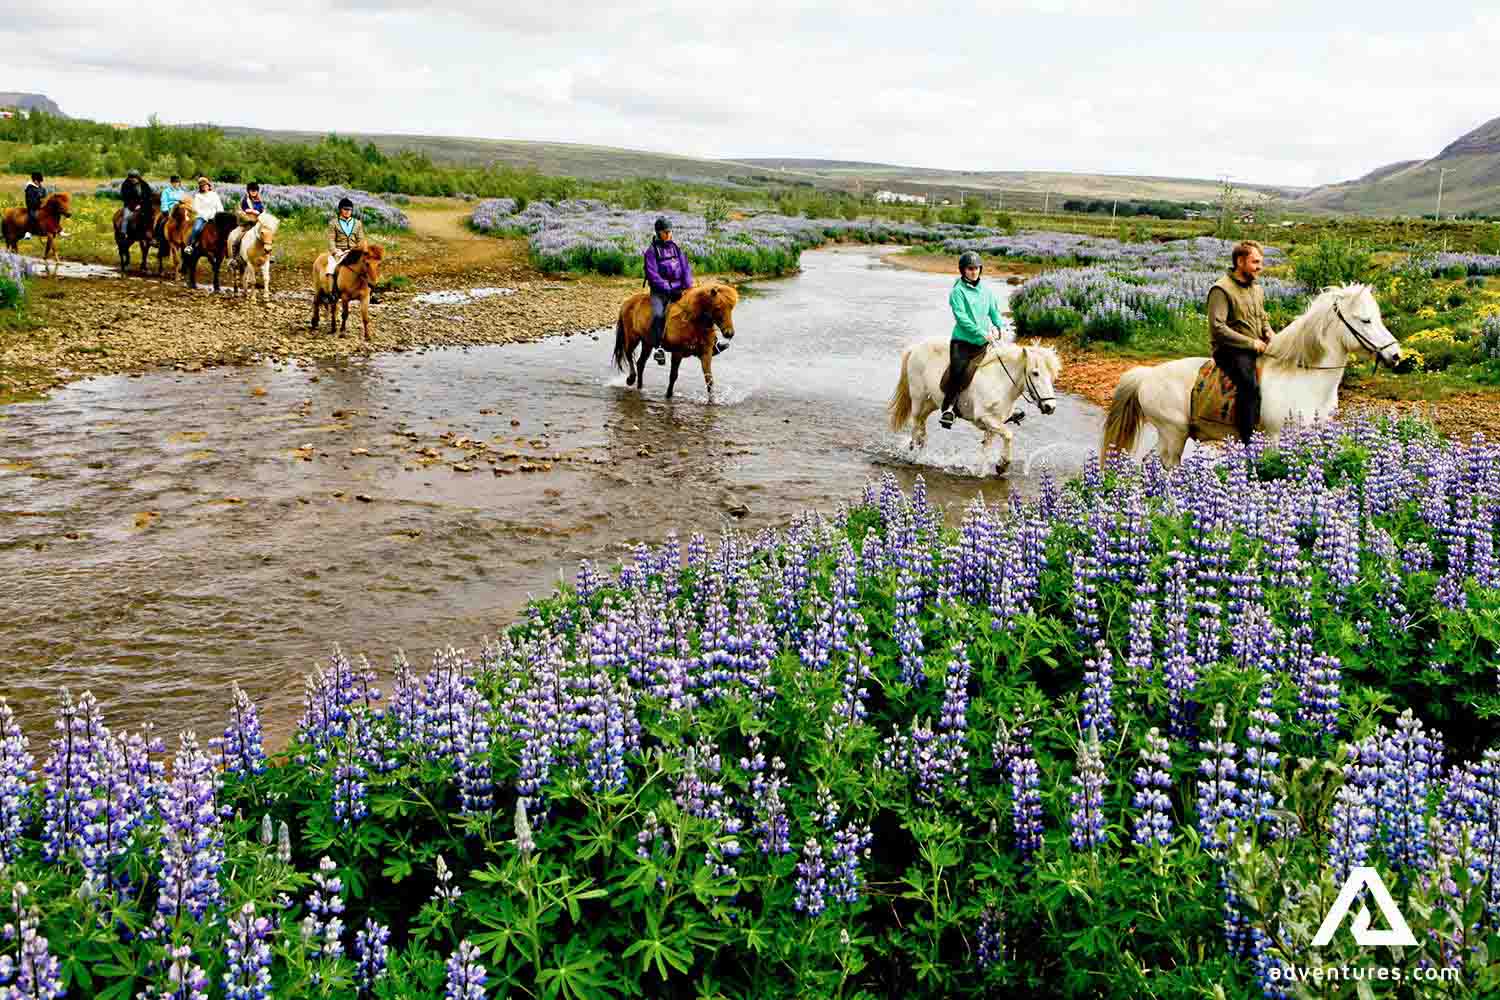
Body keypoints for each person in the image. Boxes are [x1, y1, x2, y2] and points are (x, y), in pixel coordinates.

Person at [1206, 239, 1276, 445]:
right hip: (1230, 350)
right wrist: (1251, 344)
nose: (1260, 267)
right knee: (1249, 385)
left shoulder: (1257, 289)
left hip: (1255, 346)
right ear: (1240, 261)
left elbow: (1262, 317)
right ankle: (1247, 441)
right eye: (1255, 262)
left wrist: (1268, 331)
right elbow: (1217, 328)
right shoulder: (1221, 289)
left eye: (1260, 262)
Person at [940, 250, 1006, 429]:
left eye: (976, 268)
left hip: (982, 343)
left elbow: (994, 311)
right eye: (970, 269)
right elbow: (962, 318)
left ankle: (1002, 408)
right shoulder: (957, 292)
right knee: (958, 372)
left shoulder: (986, 290)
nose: (974, 272)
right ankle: (950, 409)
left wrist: (1000, 326)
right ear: (963, 270)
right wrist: (981, 332)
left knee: (999, 368)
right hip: (962, 343)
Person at [643, 217, 694, 365]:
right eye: (666, 232)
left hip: (679, 289)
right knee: (659, 315)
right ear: (659, 233)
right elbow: (653, 276)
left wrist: (688, 286)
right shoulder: (651, 252)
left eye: (670, 231)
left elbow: (685, 268)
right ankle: (658, 348)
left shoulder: (675, 248)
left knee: (698, 307)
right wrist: (669, 289)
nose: (669, 234)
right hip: (660, 293)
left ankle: (713, 343)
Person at [326, 197, 366, 277]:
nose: (348, 211)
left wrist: (361, 249)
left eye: (350, 210)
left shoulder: (357, 223)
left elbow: (361, 239)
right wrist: (335, 251)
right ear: (340, 210)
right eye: (345, 209)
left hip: (354, 251)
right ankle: (331, 288)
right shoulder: (333, 223)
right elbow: (331, 240)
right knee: (331, 269)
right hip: (340, 251)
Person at [188, 176, 224, 249]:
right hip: (202, 217)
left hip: (214, 217)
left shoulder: (214, 194)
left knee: (224, 228)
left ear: (208, 185)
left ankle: (225, 246)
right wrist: (205, 216)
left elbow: (219, 206)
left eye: (205, 185)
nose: (204, 187)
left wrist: (219, 215)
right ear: (200, 187)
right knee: (196, 229)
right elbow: (196, 208)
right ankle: (190, 245)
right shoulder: (198, 196)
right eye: (202, 186)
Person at [119, 168, 152, 234]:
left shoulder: (144, 184)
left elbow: (149, 194)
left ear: (138, 177)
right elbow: (125, 197)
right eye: (131, 178)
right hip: (129, 206)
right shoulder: (125, 185)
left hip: (143, 205)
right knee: (126, 217)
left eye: (135, 177)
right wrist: (134, 206)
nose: (133, 179)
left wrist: (143, 204)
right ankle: (123, 233)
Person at [23, 172, 45, 239]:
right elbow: (31, 200)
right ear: (35, 180)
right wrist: (39, 202)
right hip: (32, 207)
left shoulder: (41, 188)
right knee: (33, 216)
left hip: (41, 206)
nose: (40, 183)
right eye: (39, 181)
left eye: (40, 181)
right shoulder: (30, 188)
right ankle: (28, 232)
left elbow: (44, 196)